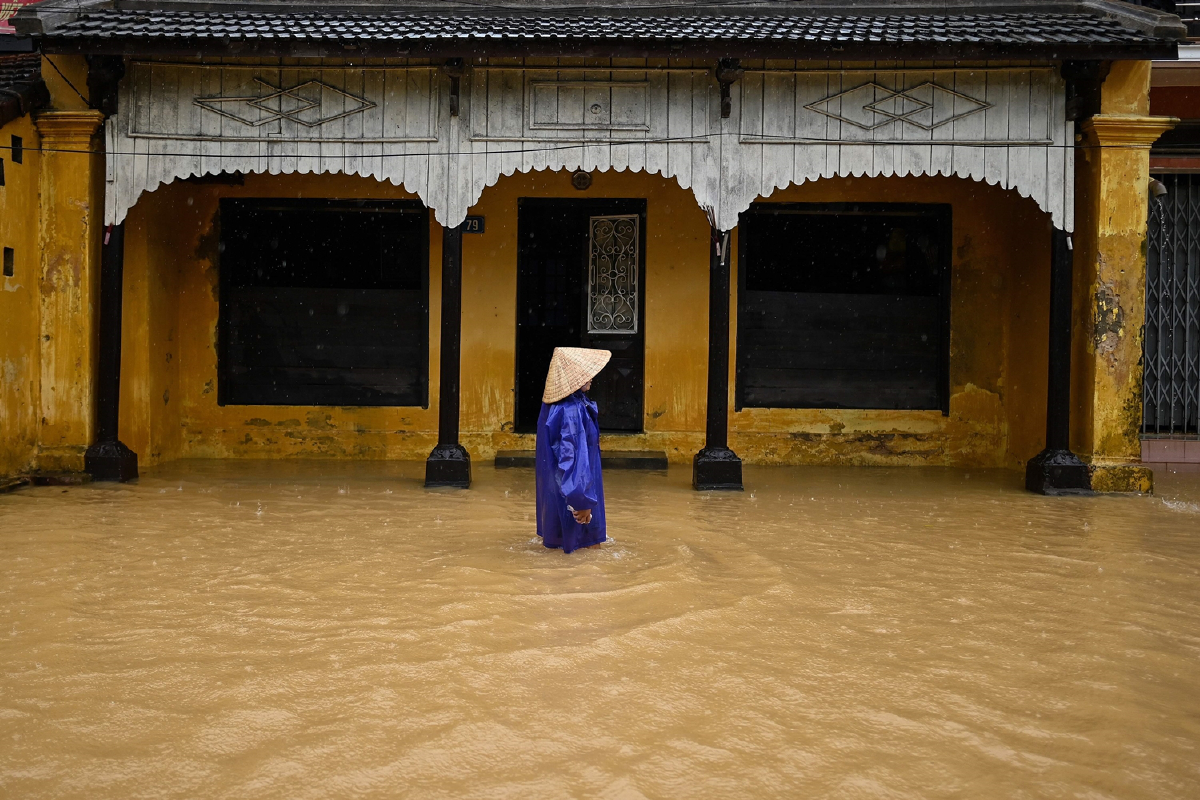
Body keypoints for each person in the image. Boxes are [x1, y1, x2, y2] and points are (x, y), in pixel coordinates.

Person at [535, 347, 611, 554]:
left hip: (561, 490)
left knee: (562, 552)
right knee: (586, 552)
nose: (592, 377)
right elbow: (572, 458)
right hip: (573, 493)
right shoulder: (571, 411)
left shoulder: (561, 406)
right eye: (586, 373)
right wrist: (581, 502)